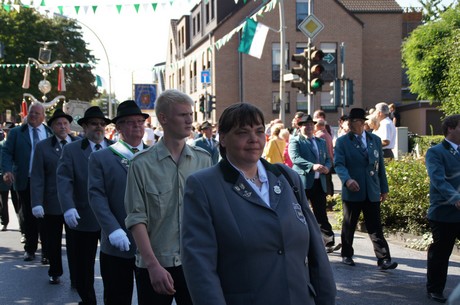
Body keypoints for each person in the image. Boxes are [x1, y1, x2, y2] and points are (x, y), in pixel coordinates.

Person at [181, 103, 336, 305]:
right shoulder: (203, 186)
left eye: (259, 131)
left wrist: (326, 298)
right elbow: (200, 267)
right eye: (242, 132)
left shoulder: (287, 177)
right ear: (224, 138)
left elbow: (316, 250)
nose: (254, 139)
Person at [124, 89, 212, 305]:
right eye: (183, 114)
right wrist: (153, 265)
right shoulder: (141, 164)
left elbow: (212, 215)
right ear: (163, 118)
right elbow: (136, 219)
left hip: (195, 263)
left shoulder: (204, 160)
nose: (190, 120)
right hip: (156, 265)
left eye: (190, 114)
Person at [88, 100, 149, 305]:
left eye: (140, 121)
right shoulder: (101, 157)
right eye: (130, 122)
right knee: (117, 297)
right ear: (119, 127)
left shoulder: (156, 155)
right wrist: (112, 229)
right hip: (118, 241)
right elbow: (97, 196)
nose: (137, 126)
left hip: (152, 243)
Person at [57, 106, 113, 305]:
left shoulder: (116, 148)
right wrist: (68, 207)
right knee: (83, 265)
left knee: (113, 267)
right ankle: (88, 300)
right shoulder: (71, 150)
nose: (98, 127)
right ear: (85, 127)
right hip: (83, 216)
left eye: (102, 124)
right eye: (94, 124)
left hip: (112, 219)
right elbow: (64, 179)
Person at [334, 108, 398, 270]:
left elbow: (380, 167)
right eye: (349, 121)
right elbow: (339, 164)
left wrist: (384, 188)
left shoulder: (374, 140)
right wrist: (347, 180)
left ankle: (384, 259)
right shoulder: (343, 142)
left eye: (353, 121)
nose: (349, 123)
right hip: (353, 190)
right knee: (349, 224)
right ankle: (347, 254)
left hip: (372, 189)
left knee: (375, 225)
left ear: (362, 123)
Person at [30, 108, 78, 285]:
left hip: (75, 204)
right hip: (52, 203)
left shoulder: (78, 143)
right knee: (53, 241)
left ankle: (76, 277)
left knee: (75, 244)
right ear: (52, 127)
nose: (63, 126)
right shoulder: (43, 147)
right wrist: (37, 202)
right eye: (59, 124)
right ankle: (55, 271)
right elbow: (37, 176)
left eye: (65, 123)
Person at [2, 102, 52, 262]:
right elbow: (6, 151)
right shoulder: (17, 132)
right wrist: (7, 170)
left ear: (43, 117)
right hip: (25, 179)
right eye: (31, 113)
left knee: (46, 216)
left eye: (37, 113)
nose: (33, 116)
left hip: (46, 182)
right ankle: (30, 249)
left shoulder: (50, 133)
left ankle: (47, 252)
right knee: (28, 215)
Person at [289, 115, 338, 253]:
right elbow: (295, 158)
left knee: (321, 213)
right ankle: (300, 240)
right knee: (301, 212)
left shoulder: (320, 141)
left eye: (311, 125)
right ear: (300, 126)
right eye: (306, 125)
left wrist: (327, 167)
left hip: (319, 182)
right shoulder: (296, 141)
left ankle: (328, 241)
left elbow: (328, 158)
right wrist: (312, 166)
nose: (309, 127)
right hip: (303, 182)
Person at [425, 114, 460, 303]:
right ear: (450, 129)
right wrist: (455, 198)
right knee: (440, 254)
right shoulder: (436, 152)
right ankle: (435, 289)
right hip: (444, 212)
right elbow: (438, 179)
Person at [0, 122, 18, 232]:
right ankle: (4, 222)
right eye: (6, 131)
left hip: (16, 176)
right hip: (3, 176)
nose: (8, 133)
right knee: (3, 201)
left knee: (18, 202)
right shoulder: (1, 144)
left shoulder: (17, 144)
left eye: (10, 131)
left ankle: (22, 224)